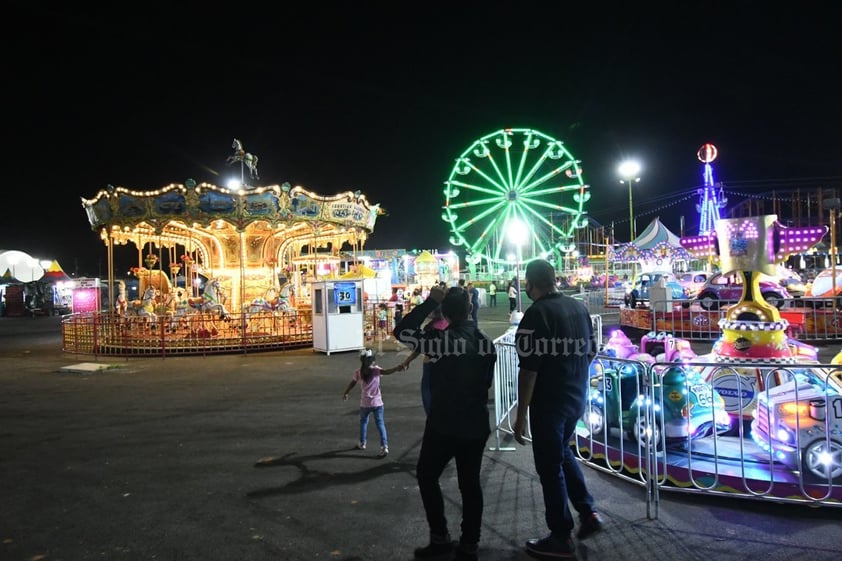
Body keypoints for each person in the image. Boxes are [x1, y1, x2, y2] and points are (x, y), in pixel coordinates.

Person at [394, 285, 496, 561]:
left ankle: (440, 536)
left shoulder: (439, 340)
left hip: (444, 422)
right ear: (471, 309)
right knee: (470, 484)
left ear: (446, 312)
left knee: (427, 475)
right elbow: (487, 382)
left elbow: (402, 330)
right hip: (475, 422)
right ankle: (470, 543)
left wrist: (429, 302)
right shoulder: (487, 343)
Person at [512, 259, 603, 559]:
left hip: (549, 403)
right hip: (576, 396)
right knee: (562, 453)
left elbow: (529, 371)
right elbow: (592, 350)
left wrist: (521, 414)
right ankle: (587, 512)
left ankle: (560, 536)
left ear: (530, 283)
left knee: (549, 468)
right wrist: (573, 375)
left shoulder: (536, 314)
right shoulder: (578, 308)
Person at [342, 348, 403, 457]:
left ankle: (362, 443)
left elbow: (352, 383)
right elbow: (388, 371)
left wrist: (346, 392)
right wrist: (398, 368)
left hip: (365, 404)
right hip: (378, 403)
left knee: (363, 423)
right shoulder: (376, 370)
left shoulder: (359, 372)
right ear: (372, 361)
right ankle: (384, 446)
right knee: (380, 424)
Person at [399, 304, 449, 415]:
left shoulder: (430, 328)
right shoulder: (450, 326)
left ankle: (432, 419)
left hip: (429, 364)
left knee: (428, 395)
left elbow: (420, 347)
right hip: (446, 365)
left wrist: (408, 360)